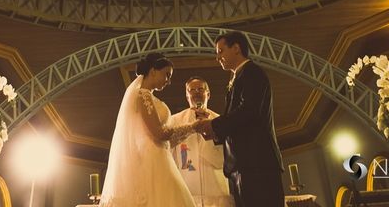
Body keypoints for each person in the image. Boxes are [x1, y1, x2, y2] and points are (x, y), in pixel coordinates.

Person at [196, 31, 284, 207]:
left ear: (236, 48)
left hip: (257, 164)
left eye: (221, 51)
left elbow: (249, 111)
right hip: (242, 165)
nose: (218, 57)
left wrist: (214, 124)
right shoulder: (237, 77)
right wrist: (215, 133)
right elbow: (237, 120)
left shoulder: (252, 72)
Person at [99, 52, 198, 207]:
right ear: (153, 71)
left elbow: (166, 139)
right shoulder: (143, 96)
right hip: (151, 158)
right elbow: (159, 133)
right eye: (167, 75)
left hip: (159, 154)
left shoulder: (149, 97)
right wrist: (192, 126)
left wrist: (191, 130)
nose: (169, 81)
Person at [170, 76, 235, 207]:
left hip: (215, 188)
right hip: (187, 187)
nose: (196, 92)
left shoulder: (220, 120)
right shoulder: (175, 121)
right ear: (187, 96)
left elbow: (229, 154)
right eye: (192, 90)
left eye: (200, 89)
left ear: (208, 94)